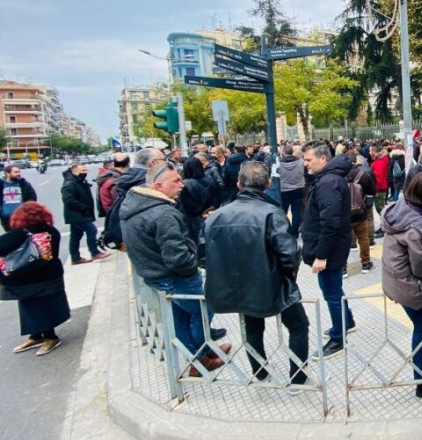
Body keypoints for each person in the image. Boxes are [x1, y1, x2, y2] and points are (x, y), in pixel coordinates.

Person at [204, 161, 309, 390]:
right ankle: (298, 379)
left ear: (239, 184)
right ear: (268, 184)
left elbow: (203, 255)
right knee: (299, 326)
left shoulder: (216, 216)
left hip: (241, 284)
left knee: (253, 327)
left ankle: (260, 373)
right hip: (273, 283)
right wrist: (287, 276)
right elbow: (290, 254)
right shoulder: (273, 213)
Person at [121, 161, 230, 377]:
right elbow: (177, 257)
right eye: (176, 181)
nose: (182, 184)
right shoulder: (163, 214)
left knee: (180, 318)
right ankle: (200, 358)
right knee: (203, 310)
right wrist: (192, 267)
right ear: (158, 186)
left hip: (155, 274)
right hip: (175, 276)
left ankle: (200, 358)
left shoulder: (134, 204)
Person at [381, 171, 422, 398]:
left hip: (396, 281)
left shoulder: (402, 207)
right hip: (411, 287)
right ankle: (421, 378)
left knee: (421, 329)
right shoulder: (415, 228)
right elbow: (421, 268)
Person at [302, 143, 355, 359]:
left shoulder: (328, 182)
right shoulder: (329, 179)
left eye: (308, 160)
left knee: (331, 293)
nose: (304, 164)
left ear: (323, 159)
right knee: (335, 290)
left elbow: (330, 222)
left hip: (329, 251)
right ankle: (347, 321)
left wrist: (321, 256)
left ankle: (338, 337)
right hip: (332, 246)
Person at [0, 202, 70, 356]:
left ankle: (50, 338)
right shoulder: (52, 232)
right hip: (50, 276)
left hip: (27, 279)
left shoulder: (20, 234)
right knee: (44, 307)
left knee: (32, 308)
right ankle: (37, 336)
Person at [61, 163, 110, 265]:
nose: (85, 173)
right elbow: (68, 200)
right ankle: (95, 252)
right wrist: (83, 207)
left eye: (85, 170)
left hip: (80, 213)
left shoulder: (79, 181)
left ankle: (75, 258)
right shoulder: (70, 183)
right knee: (91, 230)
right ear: (75, 172)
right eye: (82, 171)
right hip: (77, 214)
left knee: (75, 236)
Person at [346, 151, 376, 274]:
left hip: (344, 214)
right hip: (361, 212)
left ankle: (343, 269)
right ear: (356, 161)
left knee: (343, 241)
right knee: (363, 239)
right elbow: (372, 191)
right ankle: (365, 264)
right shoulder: (364, 174)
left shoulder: (339, 175)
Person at [178, 157, 213, 247]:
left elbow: (187, 204)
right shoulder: (210, 179)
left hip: (194, 218)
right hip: (211, 213)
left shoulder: (184, 184)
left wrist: (201, 211)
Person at [278, 144, 305, 237]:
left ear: (283, 152)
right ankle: (295, 233)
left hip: (284, 190)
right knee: (296, 211)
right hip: (298, 188)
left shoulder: (278, 163)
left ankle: (286, 230)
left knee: (283, 211)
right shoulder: (300, 162)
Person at [1, 165, 37, 232]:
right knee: (11, 236)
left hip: (22, 217)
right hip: (6, 217)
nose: (19, 174)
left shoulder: (24, 184)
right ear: (7, 173)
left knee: (23, 236)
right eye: (16, 172)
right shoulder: (1, 184)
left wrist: (26, 210)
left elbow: (32, 197)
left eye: (19, 172)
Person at [96, 153, 129, 217]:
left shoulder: (107, 176)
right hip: (116, 213)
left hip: (110, 211)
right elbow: (119, 200)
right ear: (128, 164)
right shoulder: (116, 180)